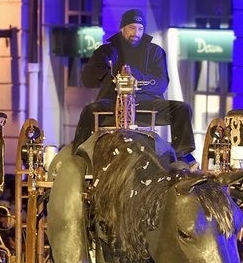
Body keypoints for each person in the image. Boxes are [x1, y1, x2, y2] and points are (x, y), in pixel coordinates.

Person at [74, 9, 195, 162]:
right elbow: (87, 80)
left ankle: (182, 155)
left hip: (146, 105)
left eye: (140, 28)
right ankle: (78, 156)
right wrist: (101, 67)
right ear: (122, 28)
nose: (136, 33)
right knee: (90, 110)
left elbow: (162, 83)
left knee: (182, 109)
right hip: (112, 104)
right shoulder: (105, 51)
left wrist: (137, 76)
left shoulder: (154, 52)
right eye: (132, 27)